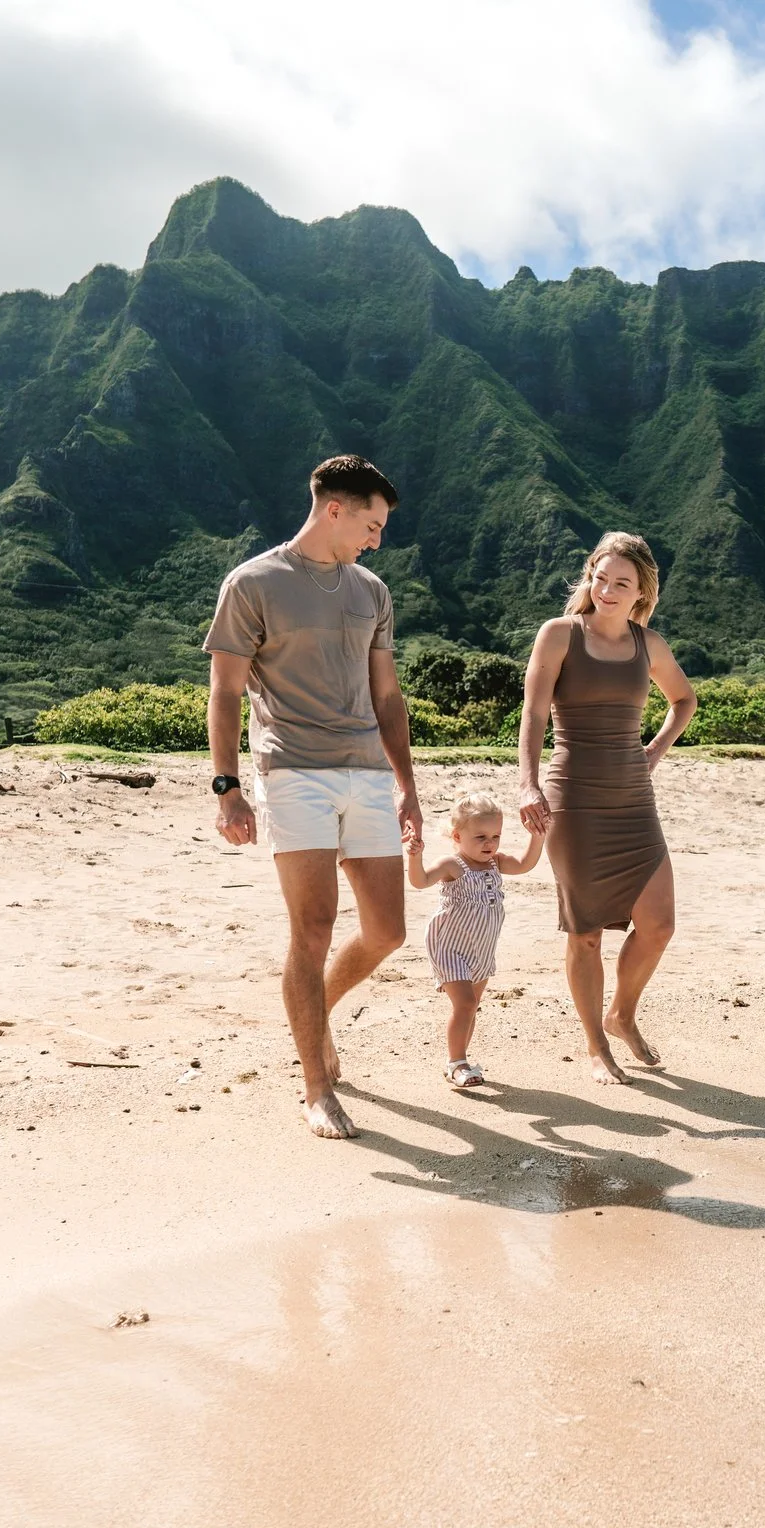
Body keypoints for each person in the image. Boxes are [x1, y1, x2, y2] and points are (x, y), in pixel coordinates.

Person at [205, 455, 421, 1139]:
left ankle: (314, 1013)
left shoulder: (372, 592)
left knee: (388, 930)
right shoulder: (253, 584)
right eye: (371, 523)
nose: (376, 539)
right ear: (335, 509)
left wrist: (408, 786)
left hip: (366, 774)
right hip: (292, 770)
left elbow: (388, 697)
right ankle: (317, 1088)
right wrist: (228, 789)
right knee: (315, 929)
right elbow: (226, 693)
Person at [515, 532, 698, 1085]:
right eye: (601, 577)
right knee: (585, 931)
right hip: (573, 795)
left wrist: (654, 751)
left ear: (642, 591)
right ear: (589, 576)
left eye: (622, 583)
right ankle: (595, 1044)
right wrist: (528, 784)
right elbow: (533, 714)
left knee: (659, 923)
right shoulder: (558, 635)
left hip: (632, 799)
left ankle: (621, 1014)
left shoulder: (649, 644)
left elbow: (683, 699)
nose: (608, 590)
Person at [405, 794, 545, 1088]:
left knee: (471, 1006)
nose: (489, 843)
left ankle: (459, 1059)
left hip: (481, 947)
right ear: (457, 836)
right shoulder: (453, 865)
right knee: (466, 1003)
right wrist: (414, 856)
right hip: (450, 945)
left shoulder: (496, 863)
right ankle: (457, 1063)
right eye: (480, 837)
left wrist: (537, 838)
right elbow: (419, 881)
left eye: (495, 836)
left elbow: (524, 864)